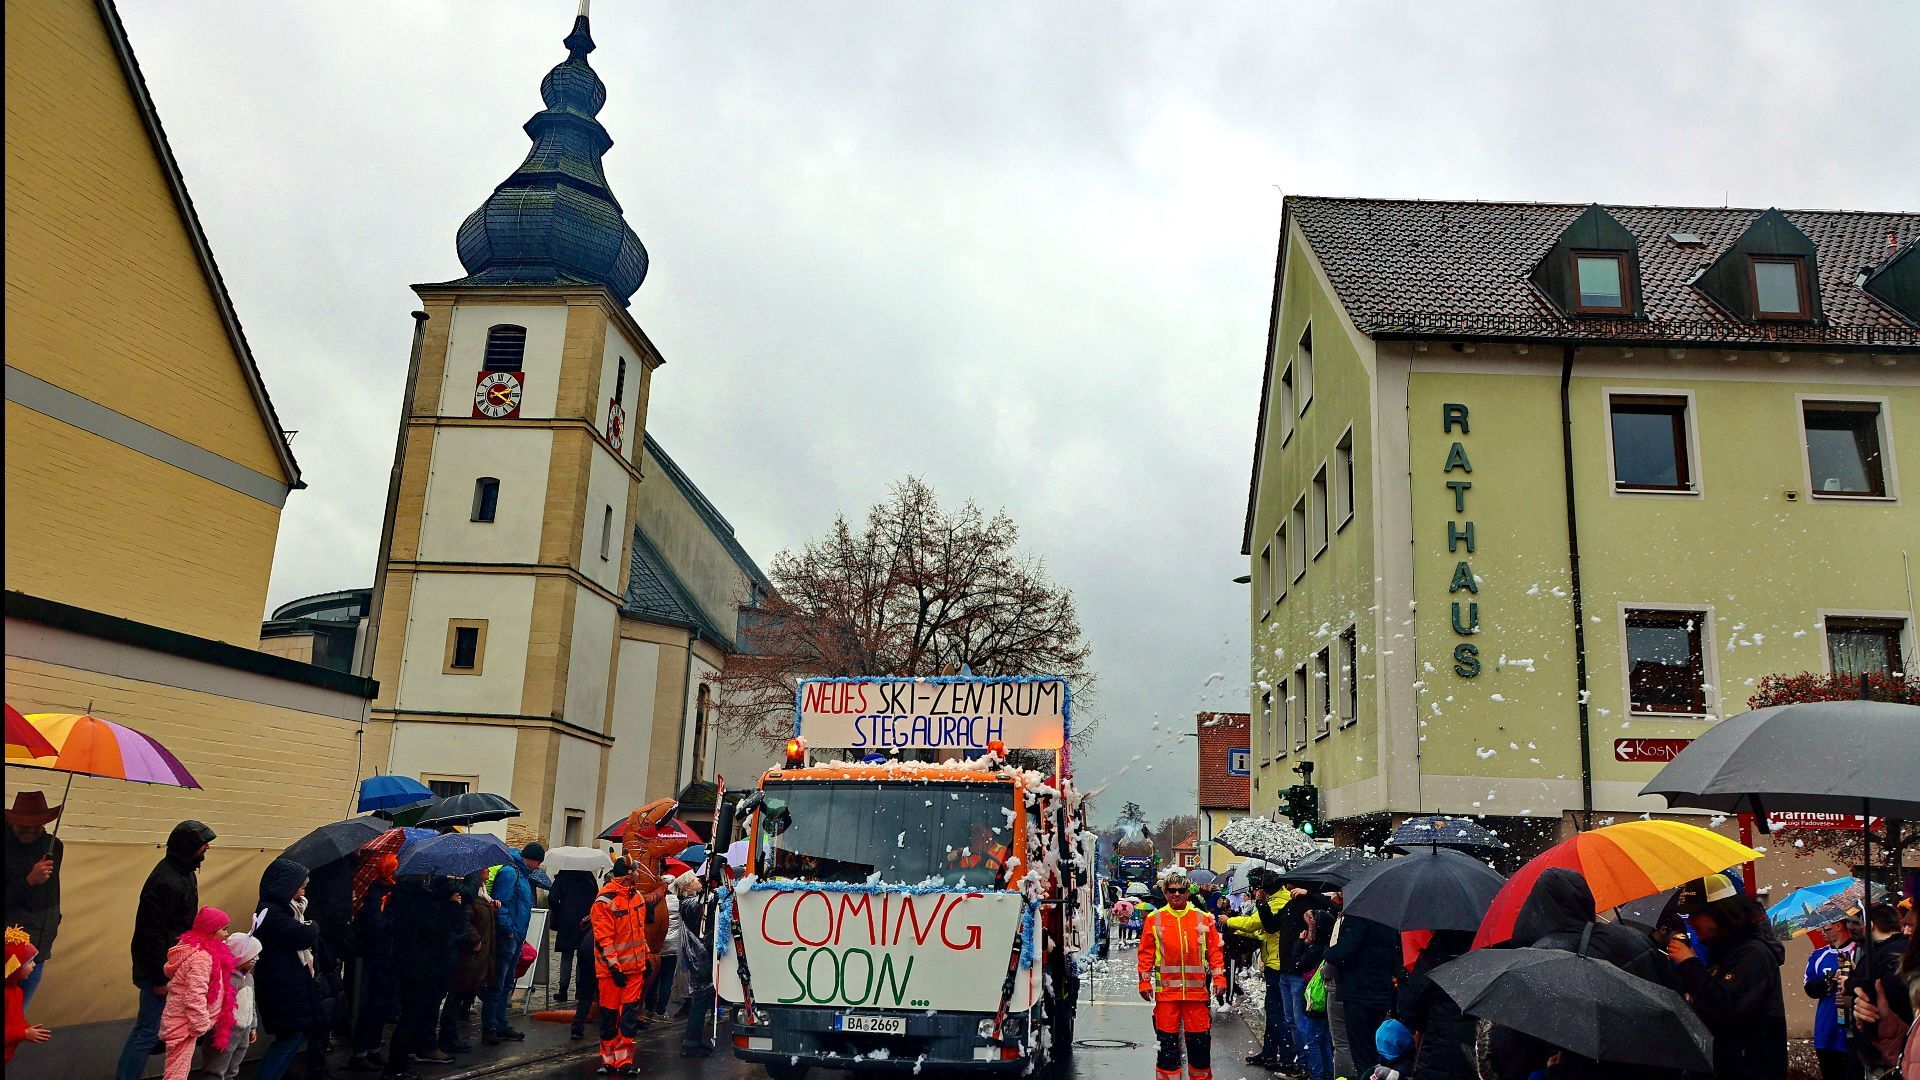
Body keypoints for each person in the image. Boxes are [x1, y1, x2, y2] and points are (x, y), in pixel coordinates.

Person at [1488, 868, 1681, 1080]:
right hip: (1648, 1063)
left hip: (1580, 1068)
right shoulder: (1634, 939)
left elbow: (1516, 1042)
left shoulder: (1541, 956)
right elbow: (1671, 996)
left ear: (1538, 907)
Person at [117, 819, 217, 1080]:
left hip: (173, 964)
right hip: (161, 970)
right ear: (187, 847)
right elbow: (151, 934)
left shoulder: (185, 873)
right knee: (147, 1030)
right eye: (202, 844)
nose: (206, 848)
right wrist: (159, 978)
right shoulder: (166, 881)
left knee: (152, 1029)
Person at [1666, 872, 1788, 1080]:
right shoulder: (1726, 952)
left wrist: (1689, 964)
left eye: (1696, 915)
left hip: (1749, 1069)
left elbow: (1724, 1006)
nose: (1692, 923)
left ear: (1719, 913)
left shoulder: (1753, 954)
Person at [1139, 871, 1227, 1080]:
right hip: (1167, 996)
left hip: (1196, 996)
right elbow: (1146, 954)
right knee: (1167, 1048)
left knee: (1200, 1048)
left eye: (1181, 890)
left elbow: (1214, 951)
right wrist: (1144, 982)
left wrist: (1220, 979)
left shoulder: (1203, 918)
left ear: (1188, 893)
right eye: (1172, 891)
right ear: (1165, 893)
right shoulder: (1154, 919)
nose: (1177, 894)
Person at [254, 858, 328, 1080]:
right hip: (282, 984)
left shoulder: (285, 909)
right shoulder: (273, 912)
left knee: (292, 1036)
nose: (304, 890)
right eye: (301, 886)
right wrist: (313, 925)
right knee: (289, 1038)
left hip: (287, 982)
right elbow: (302, 936)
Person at [383, 874, 463, 1079]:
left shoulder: (405, 896)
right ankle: (396, 1068)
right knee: (410, 1016)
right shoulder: (415, 899)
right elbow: (435, 929)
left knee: (411, 1015)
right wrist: (453, 907)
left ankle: (400, 1063)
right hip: (420, 966)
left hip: (412, 964)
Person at [1226, 869, 1296, 1071]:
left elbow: (1259, 923)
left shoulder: (1278, 901)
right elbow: (1263, 928)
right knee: (1272, 1010)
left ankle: (1285, 1056)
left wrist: (1229, 921)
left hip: (1277, 963)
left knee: (1276, 1013)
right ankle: (1268, 1052)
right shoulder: (1275, 898)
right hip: (1272, 960)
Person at [1324, 908, 1401, 1080]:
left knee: (1362, 1055)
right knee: (1375, 1051)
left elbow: (1345, 952)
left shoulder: (1359, 915)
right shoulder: (1389, 916)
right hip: (1380, 992)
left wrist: (1325, 951)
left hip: (1358, 993)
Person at [159, 907, 235, 1080]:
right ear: (210, 931)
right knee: (176, 1072)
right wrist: (200, 1024)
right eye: (224, 929)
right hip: (184, 1023)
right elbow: (195, 994)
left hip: (187, 1021)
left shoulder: (204, 952)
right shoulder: (201, 957)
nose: (227, 934)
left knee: (178, 1069)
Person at [591, 858, 651, 1075]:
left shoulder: (637, 898)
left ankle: (624, 1060)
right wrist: (614, 968)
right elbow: (604, 939)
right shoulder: (604, 902)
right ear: (628, 874)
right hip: (611, 973)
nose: (638, 874)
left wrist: (646, 956)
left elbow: (639, 932)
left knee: (628, 1017)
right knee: (609, 1016)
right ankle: (607, 1060)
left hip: (634, 970)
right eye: (636, 871)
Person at [3, 792, 63, 1009]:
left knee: (17, 1016)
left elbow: (50, 895)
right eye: (23, 826)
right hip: (10, 946)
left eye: (34, 826)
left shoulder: (54, 846)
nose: (28, 831)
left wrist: (52, 926)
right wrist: (29, 881)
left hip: (39, 946)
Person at [1392, 929, 1475, 1080]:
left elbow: (1409, 1010)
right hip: (1473, 1056)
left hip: (1435, 1052)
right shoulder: (1482, 958)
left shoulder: (1431, 959)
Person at [481, 843, 542, 1045]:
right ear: (530, 859)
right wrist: (509, 931)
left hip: (516, 935)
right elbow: (502, 904)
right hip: (509, 936)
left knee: (507, 983)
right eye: (538, 861)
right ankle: (490, 1026)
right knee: (497, 983)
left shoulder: (522, 874)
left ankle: (500, 1023)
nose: (539, 866)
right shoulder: (511, 872)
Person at [1846, 903, 1913, 1076]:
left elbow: (1887, 990)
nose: (1906, 930)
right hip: (1882, 1046)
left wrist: (1851, 984)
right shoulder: (1877, 951)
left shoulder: (1894, 951)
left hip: (1885, 1052)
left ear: (1871, 925)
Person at [348, 853, 399, 1072]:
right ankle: (360, 1052)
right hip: (376, 956)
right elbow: (376, 925)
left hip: (387, 956)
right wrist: (393, 918)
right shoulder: (377, 893)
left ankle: (373, 1049)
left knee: (381, 1005)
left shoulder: (392, 891)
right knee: (370, 1005)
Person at [440, 872, 495, 1058]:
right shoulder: (465, 890)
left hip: (473, 954)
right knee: (455, 994)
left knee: (460, 994)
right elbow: (466, 918)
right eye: (484, 869)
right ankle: (447, 1037)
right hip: (466, 953)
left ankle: (450, 1035)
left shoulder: (482, 893)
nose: (488, 871)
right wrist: (475, 940)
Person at [196, 933, 262, 1080]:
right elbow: (214, 1004)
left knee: (233, 1068)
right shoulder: (226, 978)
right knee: (216, 1069)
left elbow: (251, 1002)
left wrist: (252, 1026)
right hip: (224, 1034)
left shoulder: (249, 977)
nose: (257, 959)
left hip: (243, 1032)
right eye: (253, 956)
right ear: (240, 956)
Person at [1804, 915, 1859, 1080]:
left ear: (1838, 925)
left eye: (1824, 926)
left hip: (1853, 1029)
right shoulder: (1818, 955)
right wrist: (1828, 981)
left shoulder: (1859, 949)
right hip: (1826, 1029)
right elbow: (1809, 988)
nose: (1820, 931)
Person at [1287, 904, 1335, 1080]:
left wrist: (1300, 943)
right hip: (1325, 997)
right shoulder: (1330, 946)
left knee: (1313, 1040)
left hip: (1314, 998)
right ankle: (1328, 1074)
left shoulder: (1316, 949)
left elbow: (1297, 964)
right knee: (1324, 1039)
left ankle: (1318, 1074)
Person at [548, 867, 599, 1004]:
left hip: (567, 920)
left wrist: (560, 910)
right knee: (582, 957)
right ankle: (579, 990)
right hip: (585, 921)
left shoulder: (563, 877)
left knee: (567, 955)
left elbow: (552, 897)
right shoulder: (589, 877)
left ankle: (563, 990)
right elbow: (597, 896)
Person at [678, 874, 715, 1059]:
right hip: (698, 957)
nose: (698, 882)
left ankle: (693, 1041)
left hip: (697, 955)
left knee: (701, 999)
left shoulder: (693, 902)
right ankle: (691, 1043)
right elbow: (709, 903)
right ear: (686, 888)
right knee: (701, 999)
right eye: (694, 880)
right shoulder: (688, 904)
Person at [6, 925, 52, 1062]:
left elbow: (15, 1020)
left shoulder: (17, 992)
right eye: (29, 962)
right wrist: (24, 1033)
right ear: (14, 968)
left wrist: (27, 1028)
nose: (33, 965)